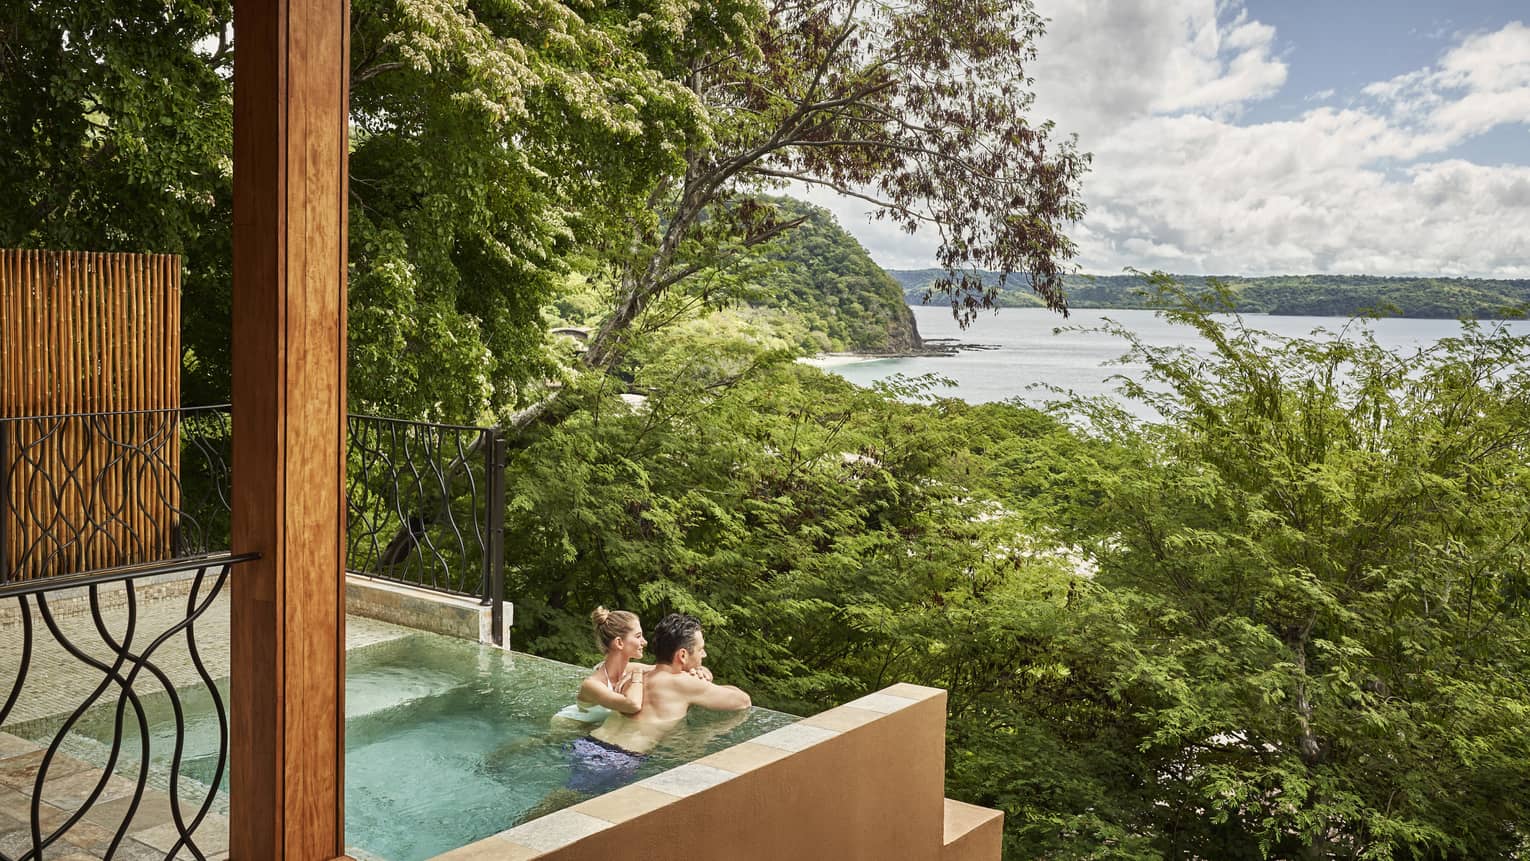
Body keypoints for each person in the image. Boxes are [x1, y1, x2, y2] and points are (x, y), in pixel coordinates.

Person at [564, 613, 749, 794]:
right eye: (701, 649)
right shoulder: (684, 683)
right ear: (682, 655)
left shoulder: (634, 674)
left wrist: (699, 671)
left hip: (587, 743)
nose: (704, 654)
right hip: (618, 758)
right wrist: (704, 680)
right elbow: (743, 701)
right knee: (562, 804)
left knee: (567, 798)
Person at [552, 607, 648, 728]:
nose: (644, 642)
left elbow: (666, 669)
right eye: (638, 636)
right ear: (619, 643)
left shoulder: (632, 669)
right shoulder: (592, 685)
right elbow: (632, 705)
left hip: (592, 730)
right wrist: (638, 674)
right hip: (566, 727)